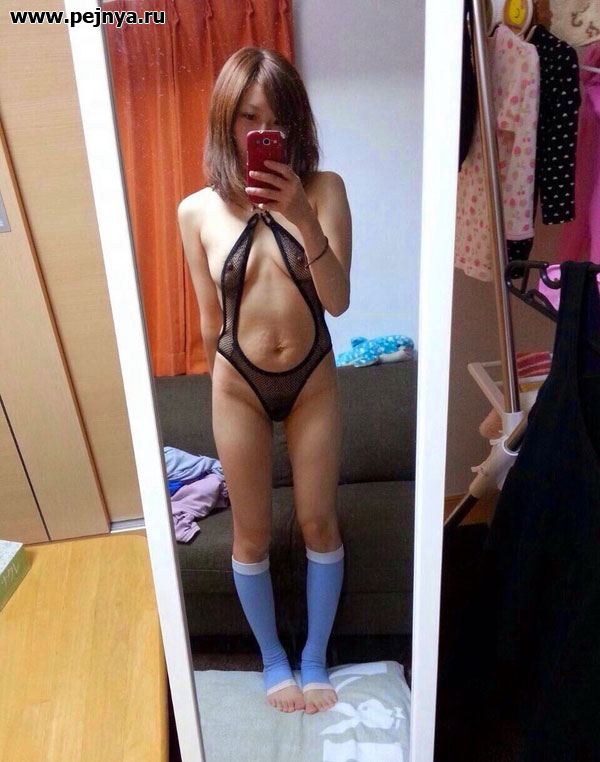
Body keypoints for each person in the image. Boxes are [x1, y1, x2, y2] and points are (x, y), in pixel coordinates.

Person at [177, 46, 352, 714]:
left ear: (296, 123)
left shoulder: (325, 189)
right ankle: (274, 661)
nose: (262, 131)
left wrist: (303, 216)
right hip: (237, 385)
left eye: (276, 119)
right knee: (250, 534)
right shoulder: (195, 212)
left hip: (313, 379)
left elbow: (338, 300)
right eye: (249, 117)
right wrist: (222, 399)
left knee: (318, 521)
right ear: (226, 120)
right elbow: (207, 321)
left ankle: (314, 659)